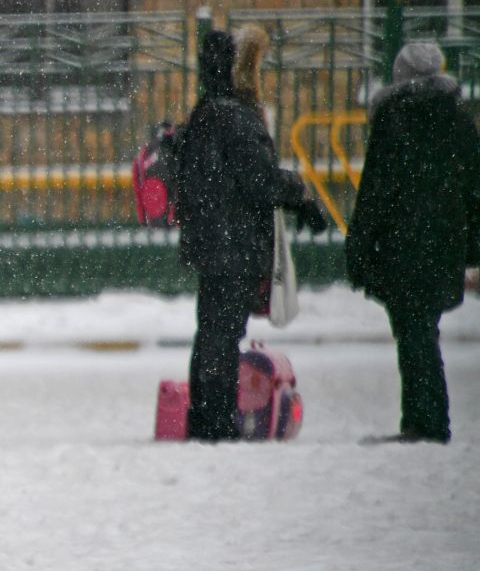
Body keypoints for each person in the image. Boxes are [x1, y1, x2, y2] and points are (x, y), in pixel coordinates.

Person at [174, 26, 318, 441]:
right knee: (222, 334)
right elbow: (260, 180)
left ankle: (204, 418)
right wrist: (301, 194)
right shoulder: (234, 116)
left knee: (211, 333)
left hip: (212, 241)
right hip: (232, 242)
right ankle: (215, 423)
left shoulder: (206, 112)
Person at [347, 40, 480, 443]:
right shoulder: (457, 117)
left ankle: (425, 422)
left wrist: (360, 245)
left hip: (402, 243)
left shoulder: (394, 118)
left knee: (413, 331)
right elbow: (473, 186)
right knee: (423, 328)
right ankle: (426, 418)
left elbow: (375, 189)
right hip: (443, 242)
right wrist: (471, 244)